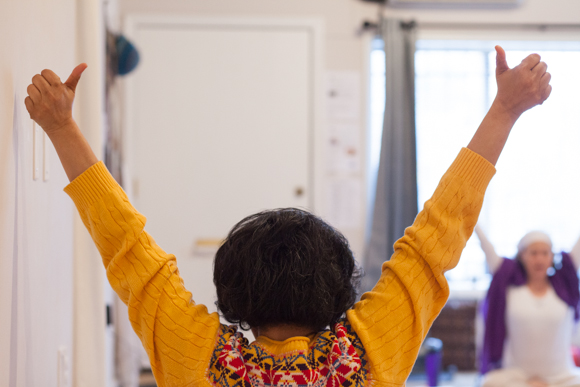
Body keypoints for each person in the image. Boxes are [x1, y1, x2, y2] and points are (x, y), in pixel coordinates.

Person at [24, 45, 550, 387]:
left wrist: (61, 129)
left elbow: (129, 251)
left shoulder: (198, 355)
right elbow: (438, 234)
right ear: (339, 290)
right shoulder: (369, 350)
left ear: (233, 292)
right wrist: (504, 109)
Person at [476, 226, 580, 387]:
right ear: (522, 256)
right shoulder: (509, 287)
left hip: (562, 377)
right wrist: (471, 219)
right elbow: (486, 246)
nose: (539, 259)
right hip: (516, 377)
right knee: (489, 382)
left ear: (552, 256)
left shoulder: (564, 287)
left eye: (545, 253)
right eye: (533, 253)